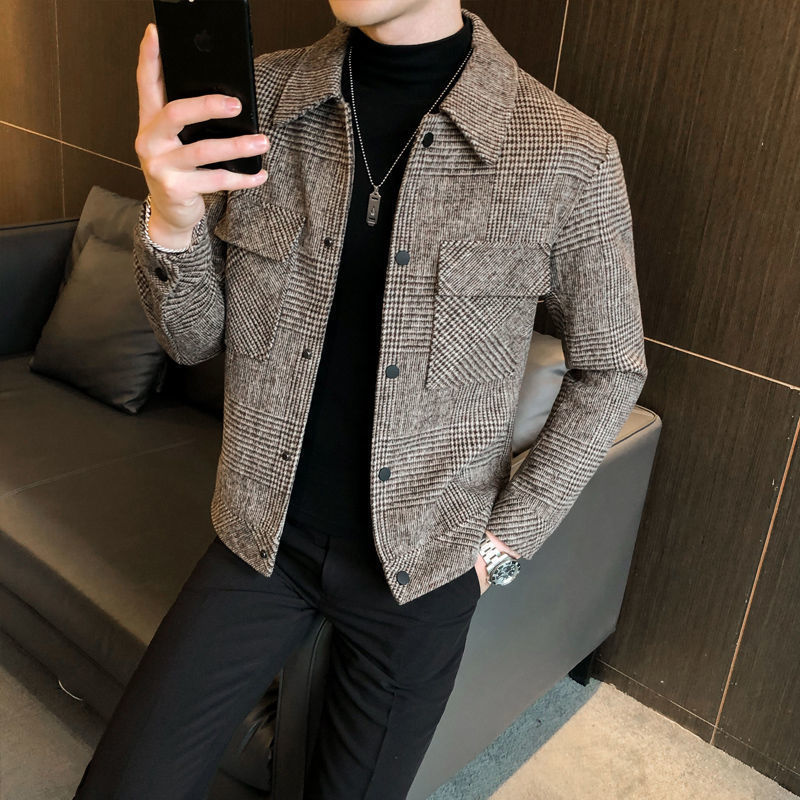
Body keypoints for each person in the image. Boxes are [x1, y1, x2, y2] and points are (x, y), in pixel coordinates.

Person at [73, 1, 647, 798]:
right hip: (259, 538)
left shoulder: (568, 153)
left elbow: (612, 369)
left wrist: (500, 547)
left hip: (424, 572)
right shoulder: (261, 102)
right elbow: (192, 340)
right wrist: (171, 220)